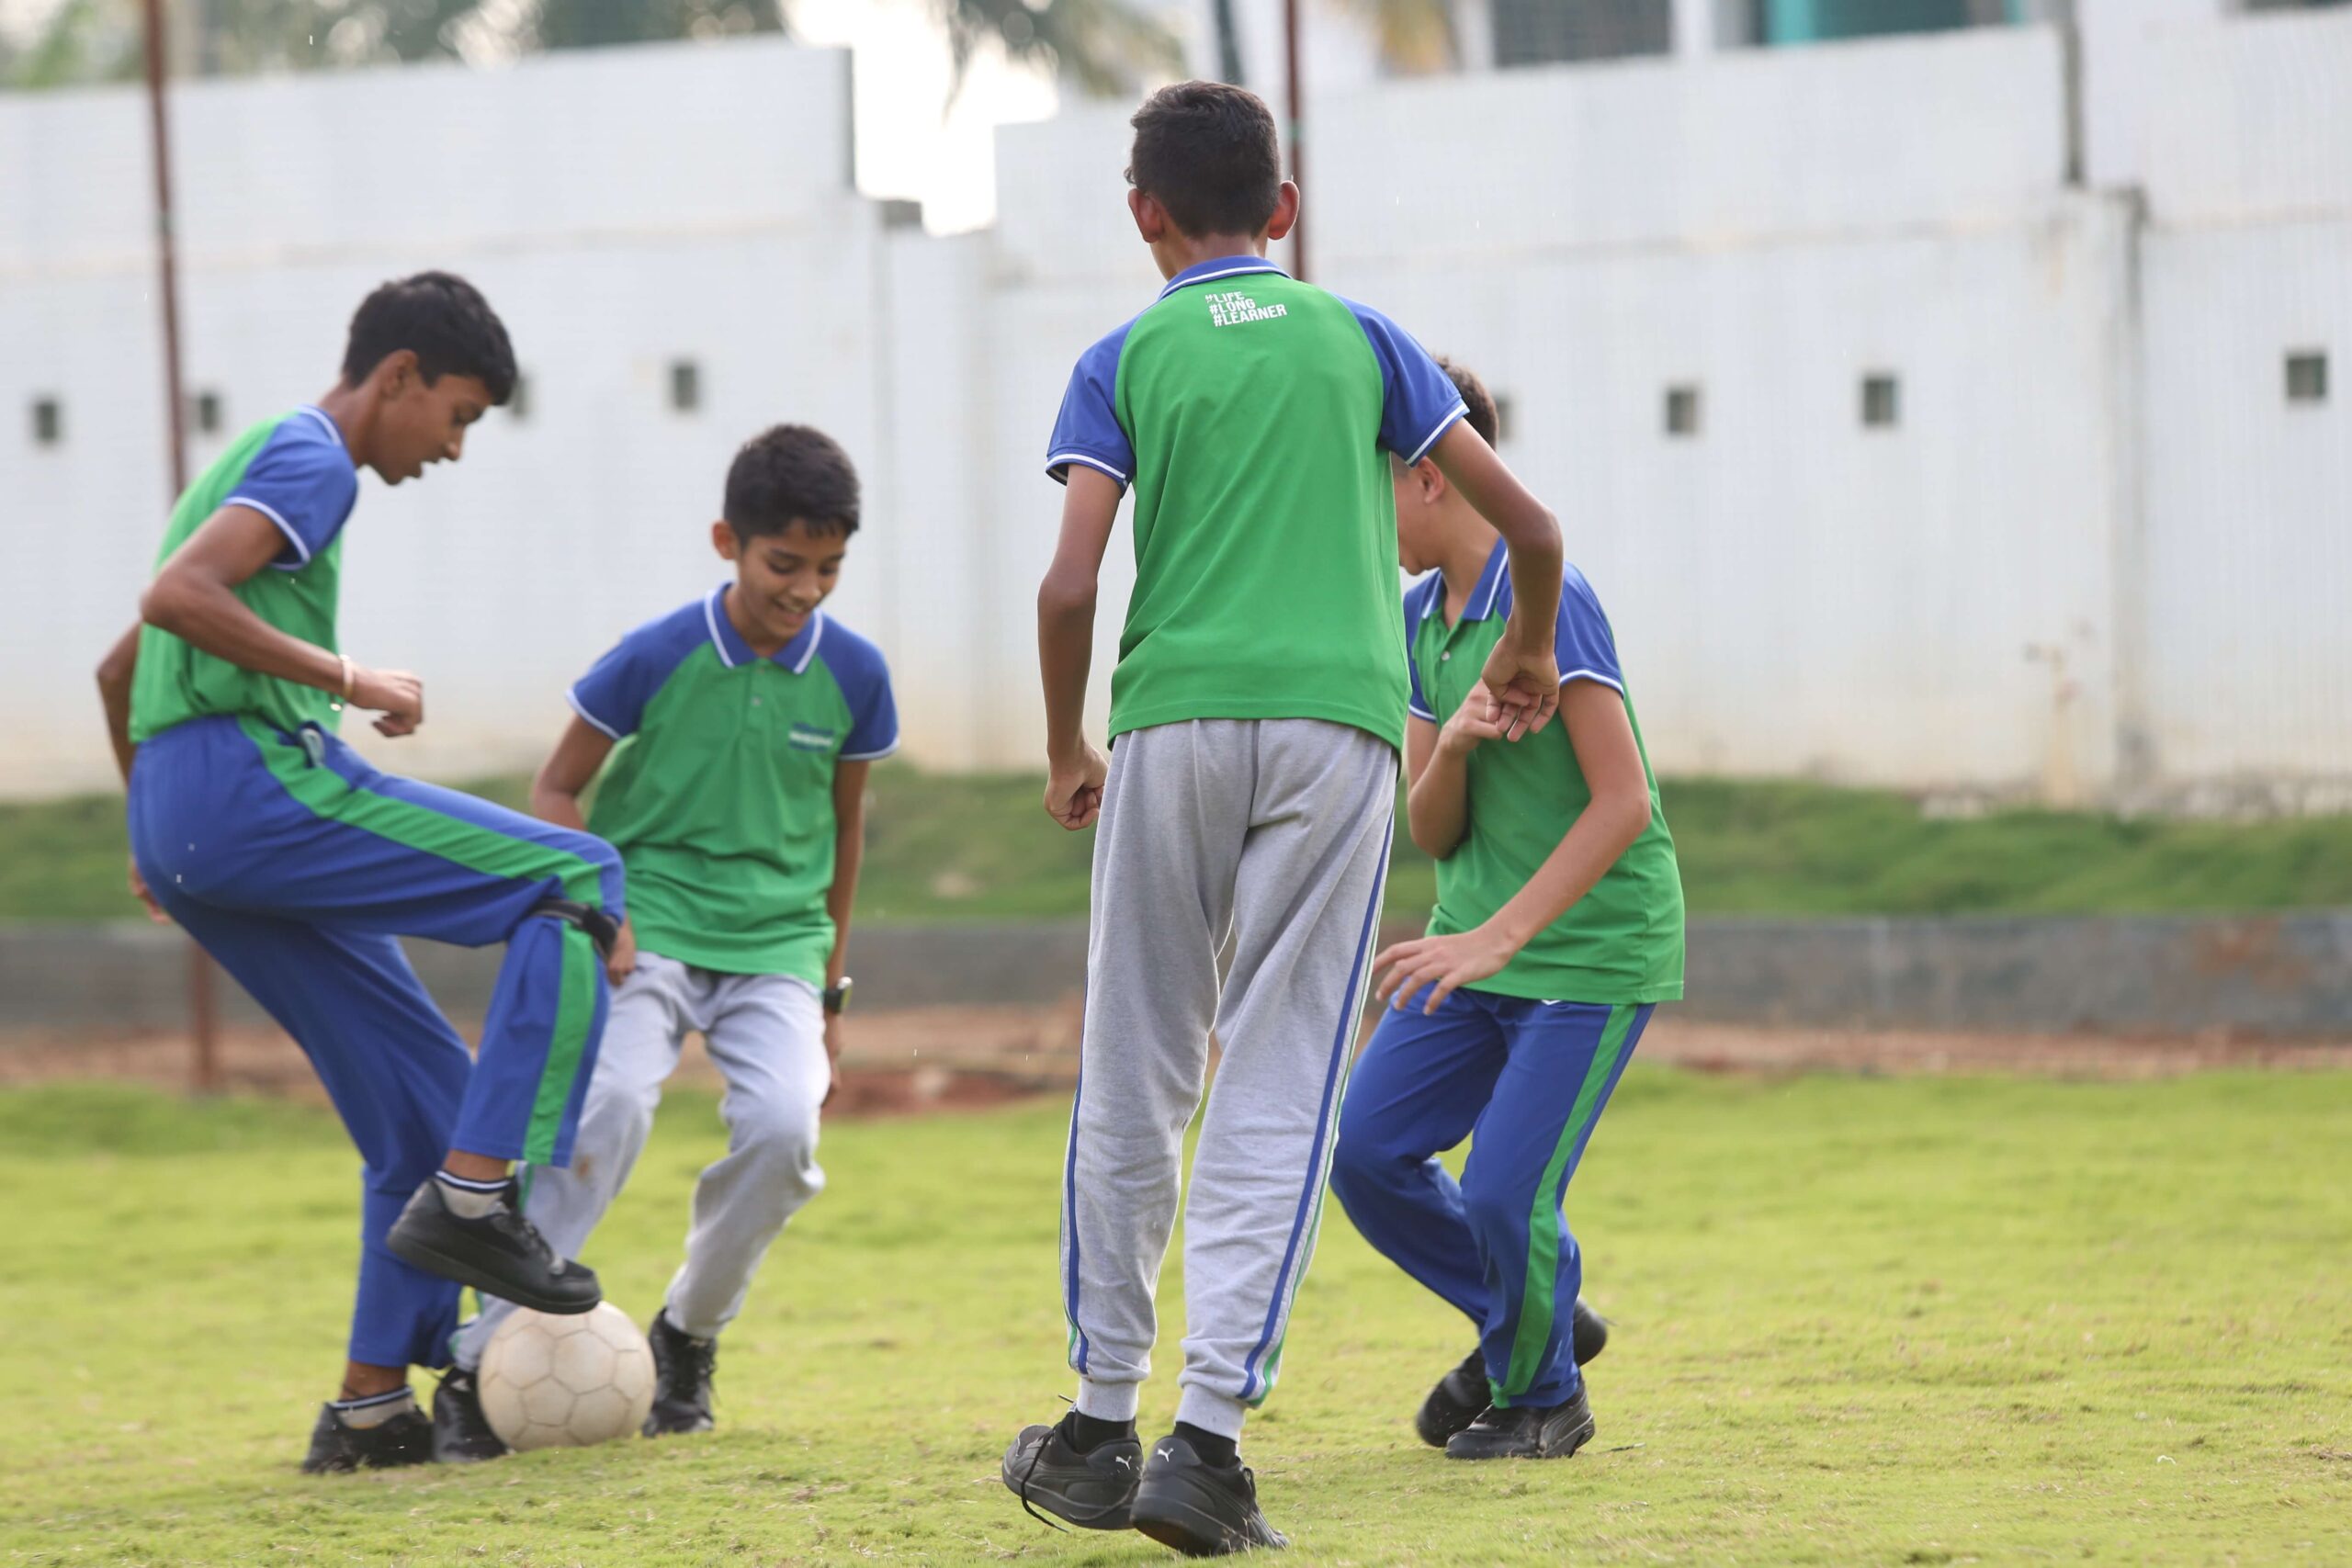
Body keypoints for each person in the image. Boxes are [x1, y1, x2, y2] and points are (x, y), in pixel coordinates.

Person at [1000, 83, 1566, 1555]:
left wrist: (1064, 744)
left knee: (1134, 1067)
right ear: (1285, 209)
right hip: (1338, 729)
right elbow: (1530, 527)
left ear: (1143, 213)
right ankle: (1205, 1444)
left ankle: (1096, 1425)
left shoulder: (1121, 357)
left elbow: (1069, 585)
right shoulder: (1368, 340)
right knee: (1278, 1076)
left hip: (1170, 721)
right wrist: (1526, 647)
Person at [92, 272, 625, 1474]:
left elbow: (122, 667)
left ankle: (371, 1408)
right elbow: (175, 595)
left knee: (424, 1107)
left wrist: (150, 829)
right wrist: (350, 677)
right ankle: (486, 1203)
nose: (454, 447)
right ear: (397, 376)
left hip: (187, 816)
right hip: (249, 783)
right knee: (581, 874)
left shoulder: (250, 462)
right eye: (457, 415)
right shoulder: (313, 456)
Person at [435, 424, 897, 1459]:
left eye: (828, 568)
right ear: (727, 542)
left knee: (785, 1130)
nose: (805, 590)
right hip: (649, 933)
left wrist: (830, 995)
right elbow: (556, 788)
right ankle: (474, 1364)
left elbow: (846, 830)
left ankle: (686, 1338)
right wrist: (607, 910)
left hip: (780, 947)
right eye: (784, 563)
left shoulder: (856, 674)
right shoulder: (655, 653)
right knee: (603, 1111)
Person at [1329, 359, 1686, 1462]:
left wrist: (1500, 935)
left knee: (1503, 1194)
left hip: (1585, 954)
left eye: (1369, 484)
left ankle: (1541, 1395)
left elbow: (1623, 802)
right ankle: (1533, 1320)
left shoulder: (1548, 603)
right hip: (1473, 950)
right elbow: (1431, 829)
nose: (1360, 513)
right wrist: (1457, 746)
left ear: (1431, 474)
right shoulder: (1413, 619)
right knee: (1365, 1152)